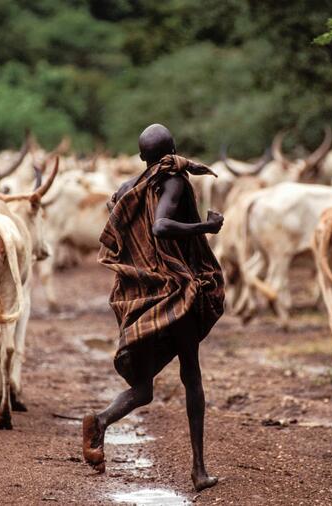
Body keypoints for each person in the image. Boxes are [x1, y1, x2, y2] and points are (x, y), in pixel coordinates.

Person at [82, 123, 225, 491]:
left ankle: (100, 421)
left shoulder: (131, 187)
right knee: (191, 376)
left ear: (143, 158)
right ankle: (198, 471)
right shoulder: (173, 181)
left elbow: (121, 217)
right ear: (173, 149)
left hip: (145, 293)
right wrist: (205, 228)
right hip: (177, 290)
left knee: (144, 388)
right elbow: (160, 226)